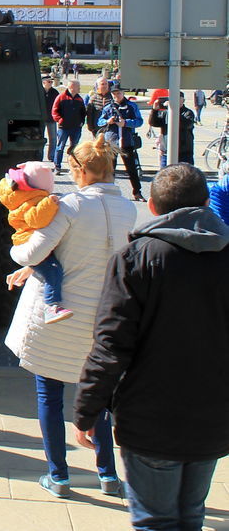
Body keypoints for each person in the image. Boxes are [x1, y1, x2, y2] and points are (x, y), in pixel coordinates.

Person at [74, 163, 229, 529]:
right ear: (206, 203)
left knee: (154, 521)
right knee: (190, 514)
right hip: (213, 416)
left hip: (151, 419)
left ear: (153, 208)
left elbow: (111, 345)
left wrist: (87, 409)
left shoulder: (136, 258)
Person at [3, 134, 134, 499]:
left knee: (50, 393)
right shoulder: (127, 210)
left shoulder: (71, 207)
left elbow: (34, 251)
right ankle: (108, 474)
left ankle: (59, 476)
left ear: (78, 170)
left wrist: (18, 257)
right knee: (100, 395)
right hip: (104, 317)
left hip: (59, 315)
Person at [0, 161, 70, 323]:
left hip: (25, 242)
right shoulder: (34, 200)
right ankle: (51, 306)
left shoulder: (17, 195)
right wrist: (49, 204)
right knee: (53, 271)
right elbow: (36, 220)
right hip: (30, 243)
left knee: (48, 269)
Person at [99, 84, 145, 201]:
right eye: (114, 94)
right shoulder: (108, 107)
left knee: (132, 169)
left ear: (123, 93)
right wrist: (107, 121)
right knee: (110, 169)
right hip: (111, 142)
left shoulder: (131, 106)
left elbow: (139, 121)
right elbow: (99, 122)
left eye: (118, 93)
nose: (116, 96)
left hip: (127, 141)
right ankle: (109, 192)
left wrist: (126, 123)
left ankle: (137, 192)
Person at [148, 93, 197, 168]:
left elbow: (185, 124)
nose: (175, 100)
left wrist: (172, 110)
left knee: (185, 176)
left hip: (184, 153)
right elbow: (153, 122)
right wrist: (154, 110)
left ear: (183, 100)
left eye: (178, 98)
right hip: (167, 152)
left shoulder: (188, 113)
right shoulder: (165, 113)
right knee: (165, 176)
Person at [51, 79, 86, 174]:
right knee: (60, 147)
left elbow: (83, 112)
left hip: (76, 127)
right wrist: (60, 120)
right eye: (78, 86)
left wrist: (82, 122)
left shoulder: (79, 99)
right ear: (72, 87)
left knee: (74, 148)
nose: (79, 88)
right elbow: (54, 111)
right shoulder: (61, 97)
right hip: (64, 128)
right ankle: (57, 166)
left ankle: (73, 167)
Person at [41, 76, 58, 163]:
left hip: (51, 119)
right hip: (41, 119)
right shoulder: (39, 91)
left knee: (53, 139)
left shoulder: (55, 92)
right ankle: (39, 155)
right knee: (40, 137)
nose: (51, 83)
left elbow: (58, 105)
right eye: (49, 82)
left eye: (51, 82)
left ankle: (51, 156)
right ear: (44, 82)